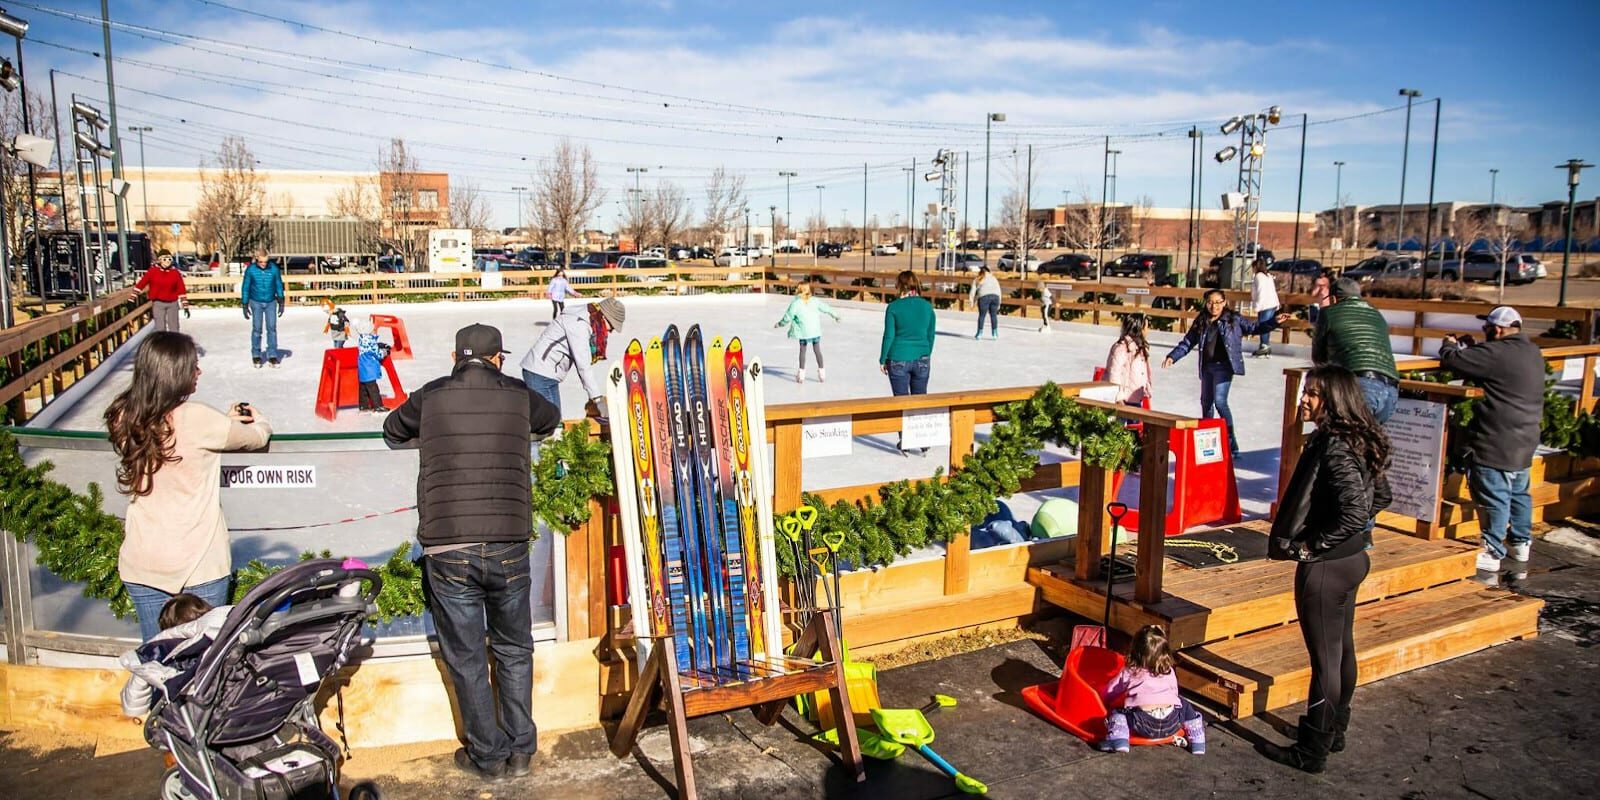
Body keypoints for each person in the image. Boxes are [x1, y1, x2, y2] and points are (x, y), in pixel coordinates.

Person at [383, 324, 562, 780]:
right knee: (514, 649)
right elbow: (550, 420)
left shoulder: (431, 395)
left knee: (465, 658)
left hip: (450, 546)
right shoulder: (519, 394)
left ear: (455, 356)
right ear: (498, 358)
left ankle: (488, 755)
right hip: (508, 541)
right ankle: (520, 749)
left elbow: (391, 430)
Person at [1263, 365, 1392, 774]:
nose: (1304, 399)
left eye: (1313, 394)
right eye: (1305, 391)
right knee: (1341, 651)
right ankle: (1334, 731)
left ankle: (1311, 750)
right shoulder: (1357, 439)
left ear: (1333, 400)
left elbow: (1356, 511)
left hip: (1327, 567)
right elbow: (1380, 496)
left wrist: (1311, 545)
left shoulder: (1335, 445)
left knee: (1325, 660)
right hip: (1353, 560)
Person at [104, 332, 272, 641]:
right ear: (175, 373)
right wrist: (259, 420)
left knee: (156, 659)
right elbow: (257, 437)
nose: (199, 372)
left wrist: (222, 421)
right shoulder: (198, 419)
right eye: (193, 366)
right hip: (200, 565)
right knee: (204, 664)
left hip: (143, 560)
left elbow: (177, 438)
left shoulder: (124, 416)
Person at [1439, 306, 1544, 584]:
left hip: (1495, 439)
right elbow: (1487, 363)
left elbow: (1453, 362)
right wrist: (1473, 350)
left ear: (1496, 331)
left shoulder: (1496, 353)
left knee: (1494, 495)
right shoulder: (1532, 351)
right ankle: (1521, 544)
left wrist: (1449, 346)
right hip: (1525, 436)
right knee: (1520, 492)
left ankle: (1493, 550)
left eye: (1486, 329)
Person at [1162, 289, 1289, 455]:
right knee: (1206, 403)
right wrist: (1173, 356)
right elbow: (1187, 342)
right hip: (1207, 367)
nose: (1214, 306)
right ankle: (1207, 444)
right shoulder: (1201, 320)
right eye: (1210, 302)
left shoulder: (1233, 320)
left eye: (1217, 302)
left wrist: (1274, 322)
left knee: (1220, 402)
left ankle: (1231, 444)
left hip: (1224, 367)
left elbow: (1254, 327)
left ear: (1224, 303)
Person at [1098, 624, 1206, 755]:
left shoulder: (1130, 671)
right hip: (1172, 723)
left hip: (1142, 724)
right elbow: (1174, 693)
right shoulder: (1168, 670)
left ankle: (1118, 739)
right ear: (1164, 654)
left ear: (1134, 651)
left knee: (1118, 714)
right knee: (1184, 704)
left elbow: (1111, 691)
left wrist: (1102, 698)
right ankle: (1197, 740)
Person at [119, 594, 231, 718]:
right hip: (229, 706)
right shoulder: (225, 637)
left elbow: (133, 703)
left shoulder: (161, 651)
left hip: (185, 716)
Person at [518, 297, 626, 417]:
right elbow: (583, 365)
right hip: (540, 373)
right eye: (612, 325)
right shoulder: (579, 325)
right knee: (549, 422)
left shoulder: (586, 318)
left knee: (552, 420)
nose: (610, 331)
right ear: (604, 317)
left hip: (545, 373)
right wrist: (597, 399)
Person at [1313, 277, 1399, 423]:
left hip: (1359, 387)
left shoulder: (1328, 313)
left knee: (1343, 440)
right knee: (1367, 441)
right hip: (1390, 390)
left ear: (1333, 298)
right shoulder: (1376, 314)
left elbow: (1319, 358)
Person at [881, 270, 936, 454]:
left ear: (900, 285)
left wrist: (883, 358)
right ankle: (923, 438)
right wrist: (926, 353)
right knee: (920, 398)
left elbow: (889, 335)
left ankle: (905, 438)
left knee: (901, 401)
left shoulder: (894, 307)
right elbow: (930, 335)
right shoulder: (927, 307)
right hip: (922, 358)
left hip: (898, 357)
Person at [774, 280, 842, 383]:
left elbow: (788, 317)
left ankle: (801, 375)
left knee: (802, 351)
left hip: (803, 332)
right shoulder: (815, 301)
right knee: (817, 350)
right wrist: (836, 316)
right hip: (815, 331)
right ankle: (822, 373)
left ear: (799, 290)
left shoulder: (796, 303)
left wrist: (779, 324)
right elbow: (826, 308)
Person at [240, 248, 286, 368]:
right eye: (261, 262)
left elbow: (278, 284)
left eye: (265, 262)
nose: (264, 264)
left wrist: (281, 301)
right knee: (257, 329)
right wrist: (245, 304)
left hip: (271, 301)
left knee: (272, 328)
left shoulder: (274, 269)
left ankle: (272, 355)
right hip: (256, 302)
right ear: (257, 260)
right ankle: (256, 355)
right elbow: (246, 287)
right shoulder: (251, 270)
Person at [1105, 314, 1152, 406]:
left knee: (1136, 420)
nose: (1148, 330)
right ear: (1138, 329)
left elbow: (1143, 372)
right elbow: (1114, 373)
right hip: (1123, 400)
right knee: (1121, 420)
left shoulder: (1140, 348)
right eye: (1146, 327)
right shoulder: (1122, 348)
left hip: (1135, 397)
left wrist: (1146, 389)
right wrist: (1118, 397)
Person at [135, 251, 188, 332]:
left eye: (169, 259)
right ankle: (162, 343)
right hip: (158, 303)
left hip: (172, 303)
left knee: (174, 327)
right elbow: (142, 283)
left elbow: (181, 289)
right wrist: (133, 296)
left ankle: (174, 343)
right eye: (165, 259)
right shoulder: (153, 271)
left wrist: (185, 306)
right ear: (160, 260)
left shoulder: (175, 273)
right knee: (160, 328)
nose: (167, 261)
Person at [354, 318, 390, 414]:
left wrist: (377, 344)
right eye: (372, 329)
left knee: (364, 389)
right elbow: (378, 354)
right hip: (369, 368)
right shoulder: (370, 341)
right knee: (373, 389)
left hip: (363, 368)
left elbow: (369, 348)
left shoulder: (362, 338)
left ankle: (364, 406)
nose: (374, 330)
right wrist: (386, 351)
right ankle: (378, 406)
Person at [1251, 257, 1281, 357]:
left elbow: (1260, 292)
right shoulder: (1268, 275)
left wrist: (1257, 306)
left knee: (1263, 325)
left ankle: (1264, 346)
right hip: (1271, 304)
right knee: (1267, 325)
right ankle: (1265, 346)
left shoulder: (1258, 276)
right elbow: (1273, 290)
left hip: (1265, 304)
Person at [970, 265, 1002, 339]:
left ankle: (979, 333)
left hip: (984, 297)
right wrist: (999, 302)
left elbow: (972, 291)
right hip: (995, 297)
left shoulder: (978, 279)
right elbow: (999, 290)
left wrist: (972, 302)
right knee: (993, 315)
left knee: (982, 315)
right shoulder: (994, 278)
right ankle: (995, 333)